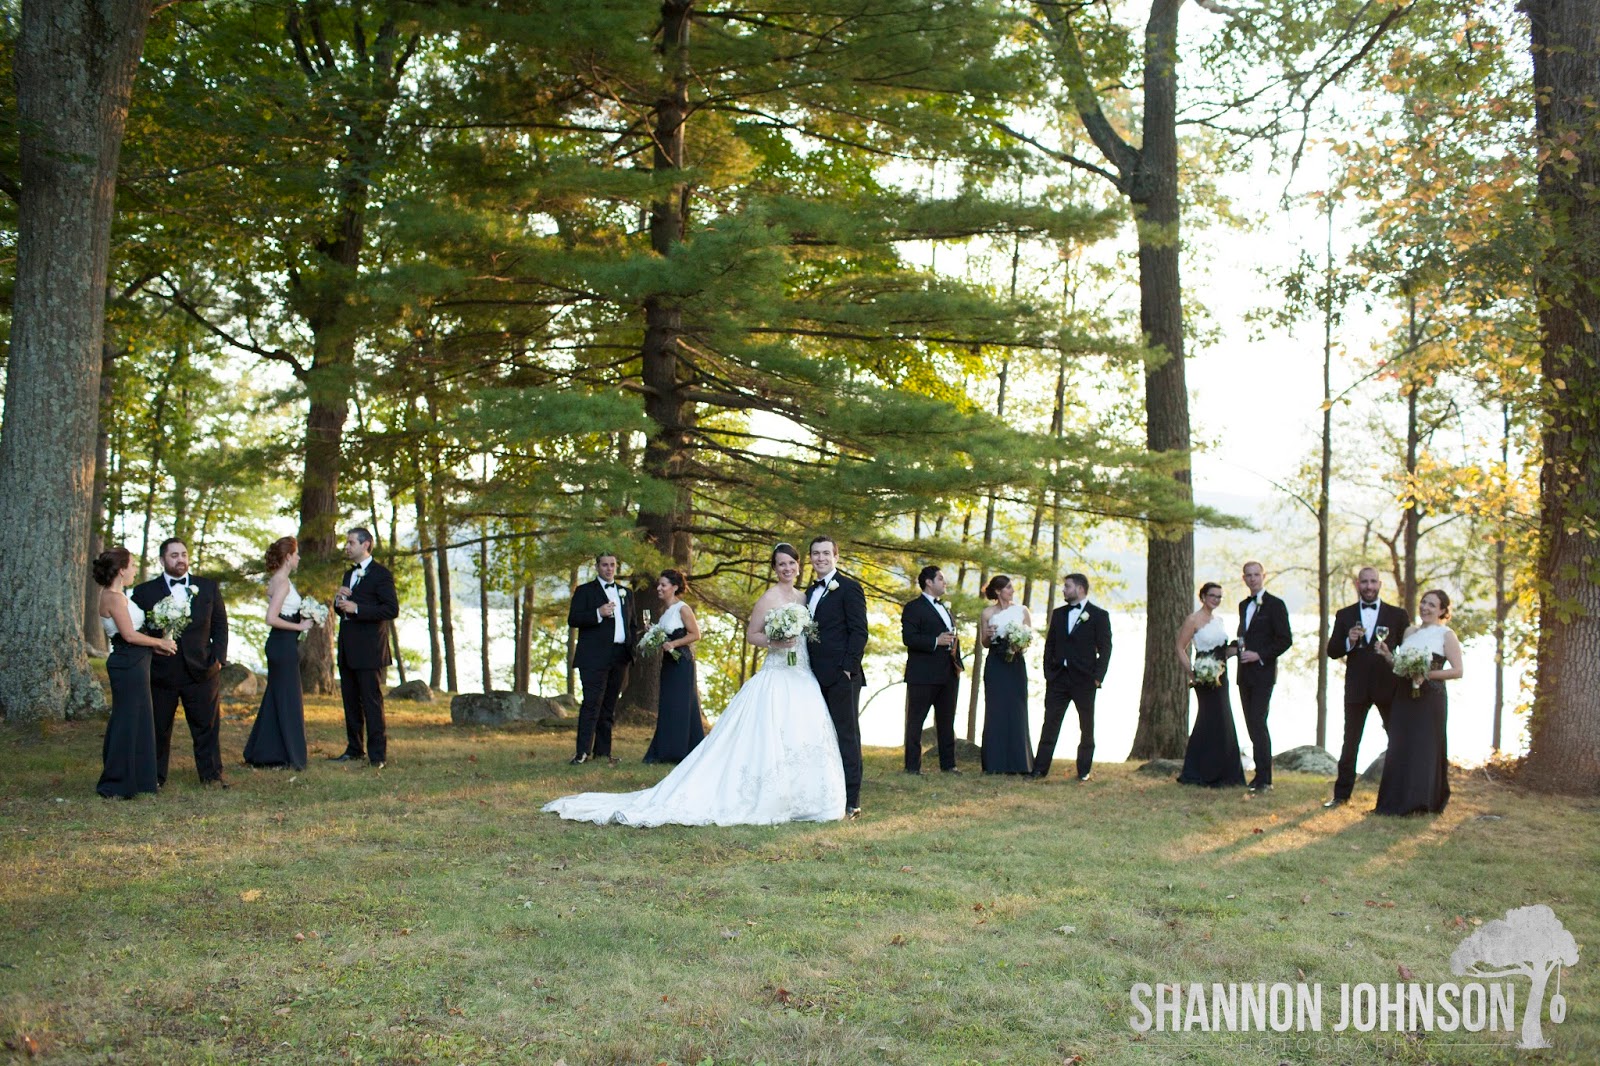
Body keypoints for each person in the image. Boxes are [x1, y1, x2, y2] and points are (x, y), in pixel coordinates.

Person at [544, 543, 846, 825]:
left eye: (791, 563)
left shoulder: (805, 598)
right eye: (781, 564)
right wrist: (775, 641)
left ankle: (802, 798)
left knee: (802, 734)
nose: (787, 568)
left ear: (798, 565)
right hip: (776, 674)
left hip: (802, 676)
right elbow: (752, 635)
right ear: (774, 568)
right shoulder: (768, 598)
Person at [131, 538, 230, 789]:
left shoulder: (207, 587)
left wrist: (218, 659)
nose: (180, 560)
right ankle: (154, 778)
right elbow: (137, 629)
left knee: (207, 726)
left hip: (203, 669)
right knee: (158, 727)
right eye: (174, 555)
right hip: (161, 670)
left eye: (184, 554)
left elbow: (220, 625)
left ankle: (211, 776)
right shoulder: (144, 592)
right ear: (162, 560)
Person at [1324, 567, 1410, 808]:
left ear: (1380, 584)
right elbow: (1332, 651)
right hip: (1357, 687)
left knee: (1397, 739)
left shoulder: (1398, 615)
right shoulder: (1345, 614)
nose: (1369, 586)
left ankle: (1400, 793)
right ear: (1357, 584)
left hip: (1389, 686)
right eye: (1364, 582)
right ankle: (1341, 796)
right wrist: (1349, 641)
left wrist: (1391, 656)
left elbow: (1407, 652)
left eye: (1373, 582)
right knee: (1350, 742)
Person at [94, 547, 177, 798]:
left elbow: (133, 634)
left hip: (137, 660)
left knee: (138, 719)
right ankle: (117, 781)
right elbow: (129, 635)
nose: (133, 571)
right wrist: (160, 642)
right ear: (121, 570)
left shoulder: (119, 595)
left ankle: (138, 777)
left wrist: (154, 647)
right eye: (131, 566)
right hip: (127, 663)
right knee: (127, 720)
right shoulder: (113, 597)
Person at [1372, 589, 1462, 815]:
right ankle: (1393, 802)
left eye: (1432, 605)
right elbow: (1400, 667)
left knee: (1424, 748)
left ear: (1442, 611)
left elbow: (1457, 671)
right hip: (1403, 695)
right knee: (1399, 745)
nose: (1425, 608)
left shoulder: (1446, 635)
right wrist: (1388, 655)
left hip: (1430, 698)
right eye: (1423, 602)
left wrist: (1426, 674)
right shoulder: (1410, 631)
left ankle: (1421, 803)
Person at [806, 535, 868, 818]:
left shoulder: (850, 588)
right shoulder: (809, 592)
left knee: (846, 736)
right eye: (816, 553)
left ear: (836, 557)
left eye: (826, 553)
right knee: (819, 737)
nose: (820, 558)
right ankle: (826, 794)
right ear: (810, 558)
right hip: (811, 676)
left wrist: (847, 668)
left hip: (842, 676)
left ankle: (852, 800)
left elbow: (859, 631)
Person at [330, 528, 399, 769]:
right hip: (348, 648)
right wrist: (338, 601)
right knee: (350, 702)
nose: (347, 547)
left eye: (351, 543)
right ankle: (354, 749)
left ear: (366, 544)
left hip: (370, 650)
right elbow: (343, 609)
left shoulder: (381, 574)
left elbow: (391, 609)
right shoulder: (348, 574)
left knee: (372, 703)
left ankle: (377, 756)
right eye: (347, 543)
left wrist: (358, 608)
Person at [243, 536, 314, 771]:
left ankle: (266, 751)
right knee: (287, 698)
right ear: (288, 557)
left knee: (278, 696)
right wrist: (299, 626)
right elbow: (271, 618)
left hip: (281, 643)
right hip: (282, 644)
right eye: (296, 554)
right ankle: (286, 754)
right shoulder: (282, 582)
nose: (299, 558)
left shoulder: (277, 580)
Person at [1034, 573, 1112, 780]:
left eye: (1067, 586)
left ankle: (1083, 771)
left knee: (1086, 726)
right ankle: (1039, 769)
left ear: (1080, 589)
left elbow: (1105, 649)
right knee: (1050, 724)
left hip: (1085, 680)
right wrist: (1048, 673)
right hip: (1058, 678)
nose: (1064, 590)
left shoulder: (1099, 615)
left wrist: (1098, 677)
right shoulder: (1058, 614)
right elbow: (1050, 645)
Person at [1175, 582, 1247, 788]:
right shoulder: (1193, 620)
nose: (1216, 599)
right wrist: (1192, 672)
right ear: (1203, 597)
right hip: (1204, 675)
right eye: (1212, 595)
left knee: (1224, 719)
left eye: (1219, 597)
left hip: (1221, 674)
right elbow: (1180, 647)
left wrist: (1239, 649)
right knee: (1208, 719)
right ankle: (1199, 770)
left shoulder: (1219, 620)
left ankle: (1226, 772)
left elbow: (1223, 650)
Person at [566, 552, 635, 765]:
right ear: (597, 567)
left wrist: (631, 649)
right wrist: (598, 612)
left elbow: (632, 624)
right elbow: (573, 619)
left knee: (609, 705)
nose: (609, 568)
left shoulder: (626, 593)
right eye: (604, 565)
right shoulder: (585, 591)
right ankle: (582, 753)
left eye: (612, 565)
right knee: (591, 704)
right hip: (594, 657)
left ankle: (603, 752)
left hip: (620, 656)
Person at [1236, 561, 1292, 793]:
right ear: (1244, 579)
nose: (1252, 579)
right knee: (1251, 724)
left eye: (1256, 575)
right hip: (1244, 674)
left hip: (1263, 674)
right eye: (1248, 575)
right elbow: (1245, 636)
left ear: (1263, 576)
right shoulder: (1243, 605)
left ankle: (1265, 779)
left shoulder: (1275, 605)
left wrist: (1259, 654)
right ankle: (1258, 776)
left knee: (1258, 722)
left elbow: (1285, 639)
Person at [902, 565, 964, 775]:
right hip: (923, 674)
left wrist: (957, 663)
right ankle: (912, 767)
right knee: (916, 721)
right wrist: (935, 641)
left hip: (948, 672)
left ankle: (949, 764)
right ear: (928, 582)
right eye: (941, 579)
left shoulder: (945, 607)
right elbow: (909, 638)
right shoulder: (913, 607)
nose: (945, 582)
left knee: (947, 720)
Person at [641, 569, 705, 764]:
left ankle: (679, 752)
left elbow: (695, 634)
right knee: (668, 705)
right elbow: (665, 636)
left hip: (681, 662)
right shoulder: (666, 612)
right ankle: (666, 749)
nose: (659, 588)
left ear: (675, 587)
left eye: (663, 585)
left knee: (680, 705)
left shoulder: (682, 608)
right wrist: (653, 632)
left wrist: (674, 644)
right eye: (658, 585)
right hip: (669, 663)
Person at [979, 575, 1033, 774]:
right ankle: (995, 762)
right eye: (1008, 587)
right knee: (996, 709)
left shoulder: (1022, 611)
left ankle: (1020, 762)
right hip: (996, 663)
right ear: (998, 591)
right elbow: (984, 643)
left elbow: (1029, 639)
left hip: (1015, 663)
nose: (1012, 591)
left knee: (1017, 709)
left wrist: (1019, 643)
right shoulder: (987, 613)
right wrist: (988, 635)